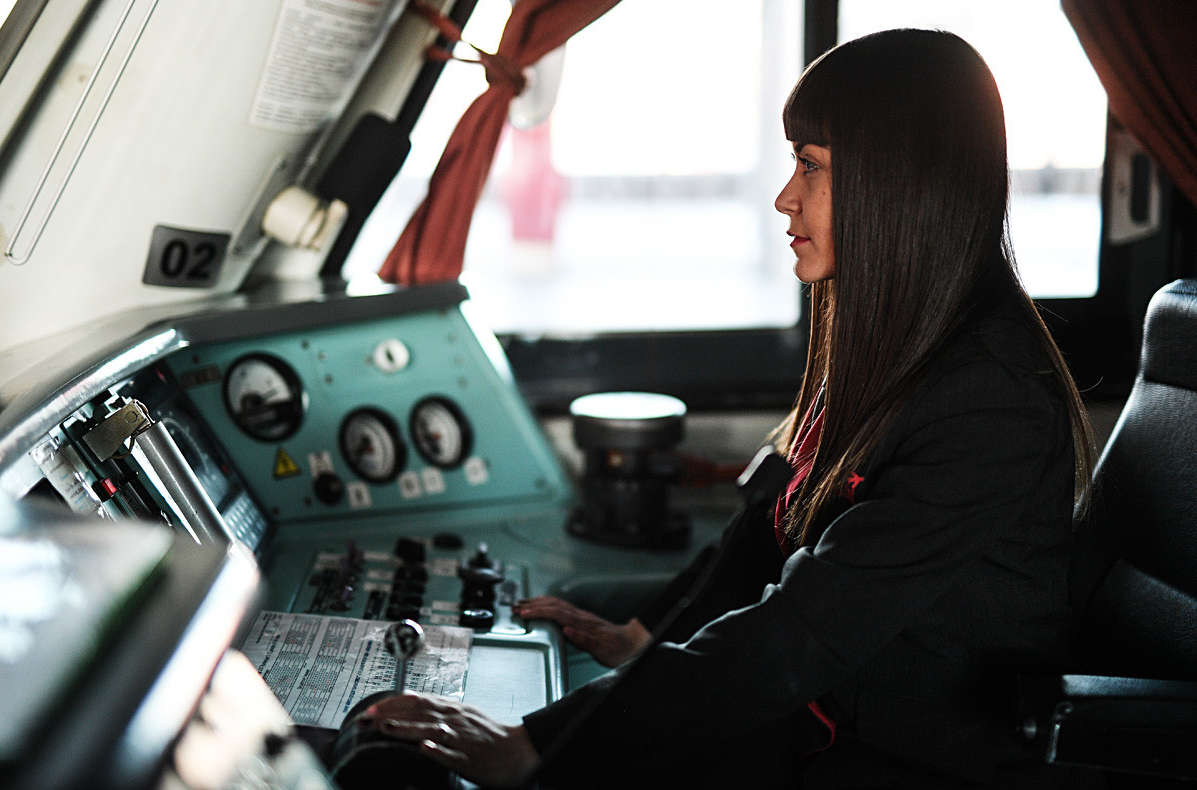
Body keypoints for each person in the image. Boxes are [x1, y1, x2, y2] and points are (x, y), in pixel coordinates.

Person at [355, 28, 1099, 788]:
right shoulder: (887, 341)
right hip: (826, 711)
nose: (785, 195)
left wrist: (537, 747)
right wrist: (642, 638)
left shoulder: (989, 405)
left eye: (811, 166)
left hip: (904, 758)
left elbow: (803, 629)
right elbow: (766, 526)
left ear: (900, 186)